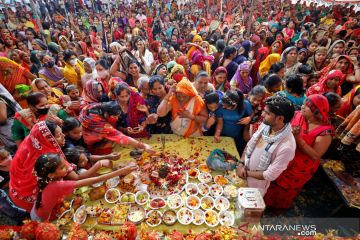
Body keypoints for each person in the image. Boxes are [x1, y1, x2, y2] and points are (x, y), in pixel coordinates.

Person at [265, 94, 334, 208]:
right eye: (303, 104)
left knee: (284, 189)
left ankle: (276, 208)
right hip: (284, 157)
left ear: (316, 111)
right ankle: (264, 202)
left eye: (306, 106)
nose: (302, 107)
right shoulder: (298, 115)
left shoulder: (325, 132)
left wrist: (298, 139)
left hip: (299, 167)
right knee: (272, 180)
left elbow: (316, 155)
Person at [31, 153, 138, 221]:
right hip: (42, 218)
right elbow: (95, 180)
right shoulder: (57, 185)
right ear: (51, 175)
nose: (68, 168)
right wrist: (121, 171)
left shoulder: (46, 178)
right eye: (63, 167)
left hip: (42, 208)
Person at [236, 96, 296, 196]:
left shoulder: (287, 146)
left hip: (255, 186)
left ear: (280, 118)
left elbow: (270, 175)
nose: (262, 114)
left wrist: (245, 173)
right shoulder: (266, 125)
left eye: (267, 113)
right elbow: (250, 144)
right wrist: (241, 163)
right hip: (243, 171)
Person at [79, 101, 154, 154]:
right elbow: (121, 136)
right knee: (107, 146)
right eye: (115, 116)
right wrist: (144, 146)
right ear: (106, 114)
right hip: (91, 141)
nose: (117, 119)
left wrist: (124, 129)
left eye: (118, 116)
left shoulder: (98, 106)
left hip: (89, 130)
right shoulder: (100, 124)